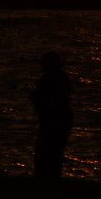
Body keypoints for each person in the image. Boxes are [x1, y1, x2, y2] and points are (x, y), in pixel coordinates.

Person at [30, 51, 73, 179]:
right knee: (49, 153)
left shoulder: (55, 79)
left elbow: (56, 99)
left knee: (50, 153)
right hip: (53, 120)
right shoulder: (51, 78)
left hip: (56, 121)